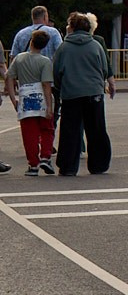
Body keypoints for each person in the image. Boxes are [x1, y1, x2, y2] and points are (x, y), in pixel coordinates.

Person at [51, 13, 115, 176]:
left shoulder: (64, 48)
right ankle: (99, 164)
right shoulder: (95, 45)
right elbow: (104, 69)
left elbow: (56, 71)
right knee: (96, 129)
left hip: (71, 93)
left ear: (72, 27)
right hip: (94, 92)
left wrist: (60, 88)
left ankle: (68, 166)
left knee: (70, 130)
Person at [8, 28, 57, 174]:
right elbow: (46, 84)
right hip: (41, 97)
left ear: (31, 42)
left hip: (25, 96)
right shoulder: (45, 62)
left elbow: (10, 77)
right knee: (47, 129)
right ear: (44, 45)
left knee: (29, 133)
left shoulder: (19, 59)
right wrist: (49, 106)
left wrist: (13, 99)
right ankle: (45, 156)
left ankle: (33, 164)